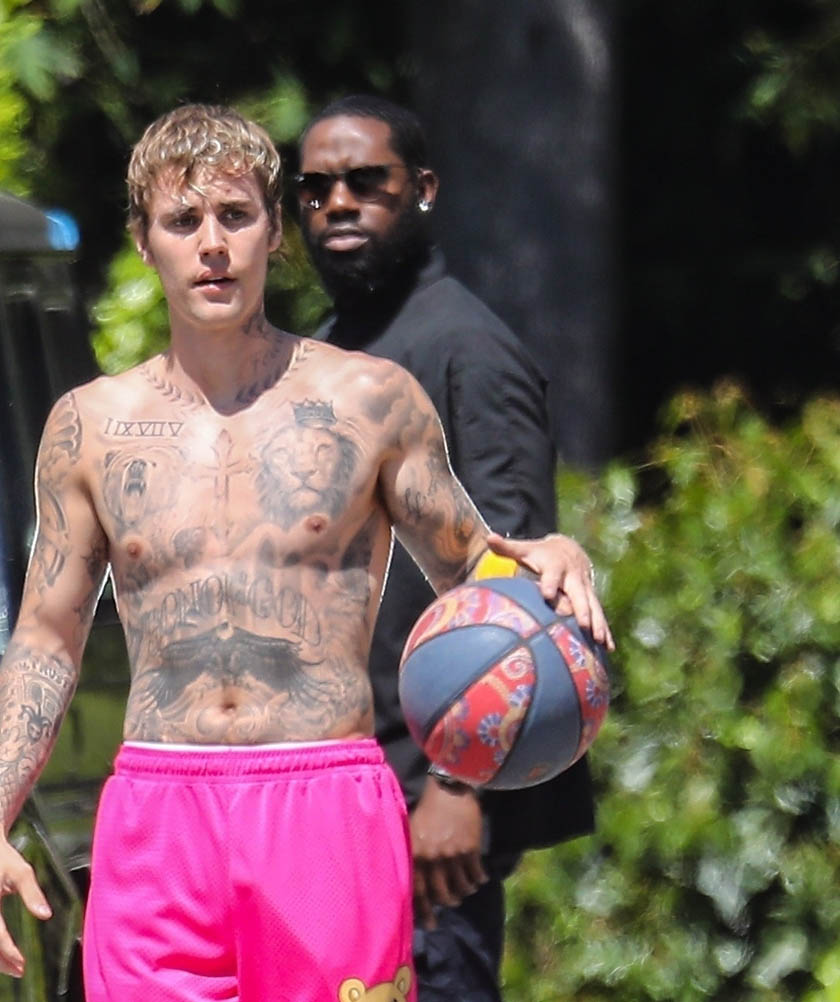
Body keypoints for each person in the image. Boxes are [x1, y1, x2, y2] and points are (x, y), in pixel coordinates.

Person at [0, 102, 611, 1002]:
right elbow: (46, 637)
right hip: (159, 812)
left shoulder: (371, 400)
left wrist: (556, 557)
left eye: (236, 216)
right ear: (144, 243)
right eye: (183, 221)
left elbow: (475, 571)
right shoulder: (91, 427)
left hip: (324, 805)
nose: (212, 245)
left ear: (275, 231)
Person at [296, 94, 599, 1002]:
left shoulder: (468, 350)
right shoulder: (328, 354)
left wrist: (456, 788)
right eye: (315, 188)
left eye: (366, 181)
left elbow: (510, 591)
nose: (338, 203)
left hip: (425, 812)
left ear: (423, 189)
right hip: (333, 789)